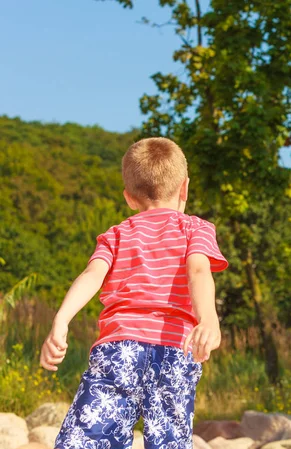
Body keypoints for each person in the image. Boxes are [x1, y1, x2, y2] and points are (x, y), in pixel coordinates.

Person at [40, 137, 228, 449]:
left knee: (88, 439)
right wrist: (208, 319)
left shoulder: (116, 235)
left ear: (129, 198)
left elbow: (91, 275)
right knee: (170, 441)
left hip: (118, 350)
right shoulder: (196, 228)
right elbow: (198, 271)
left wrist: (62, 320)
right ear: (185, 188)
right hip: (174, 351)